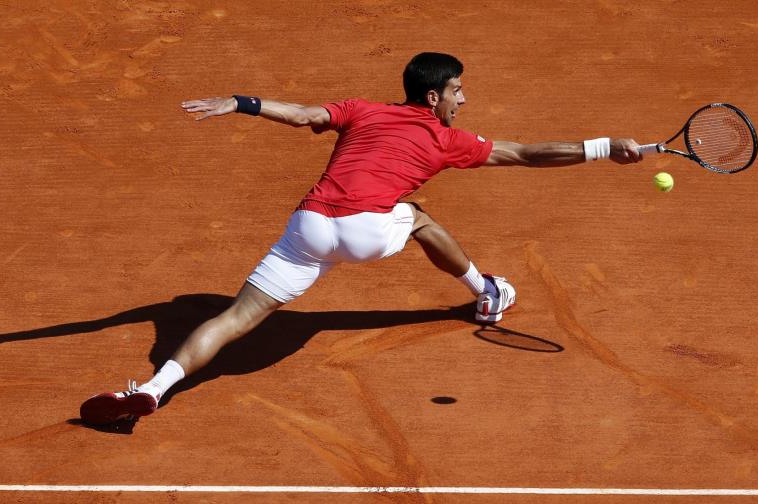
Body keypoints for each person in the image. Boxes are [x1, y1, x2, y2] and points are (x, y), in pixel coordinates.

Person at [80, 52, 642, 425]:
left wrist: (242, 102)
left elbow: (301, 115)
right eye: (456, 92)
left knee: (232, 317)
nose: (461, 101)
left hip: (308, 225)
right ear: (432, 99)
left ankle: (151, 389)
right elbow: (524, 153)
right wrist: (602, 145)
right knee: (418, 217)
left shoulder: (361, 110)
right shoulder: (448, 139)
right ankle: (485, 293)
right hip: (365, 231)